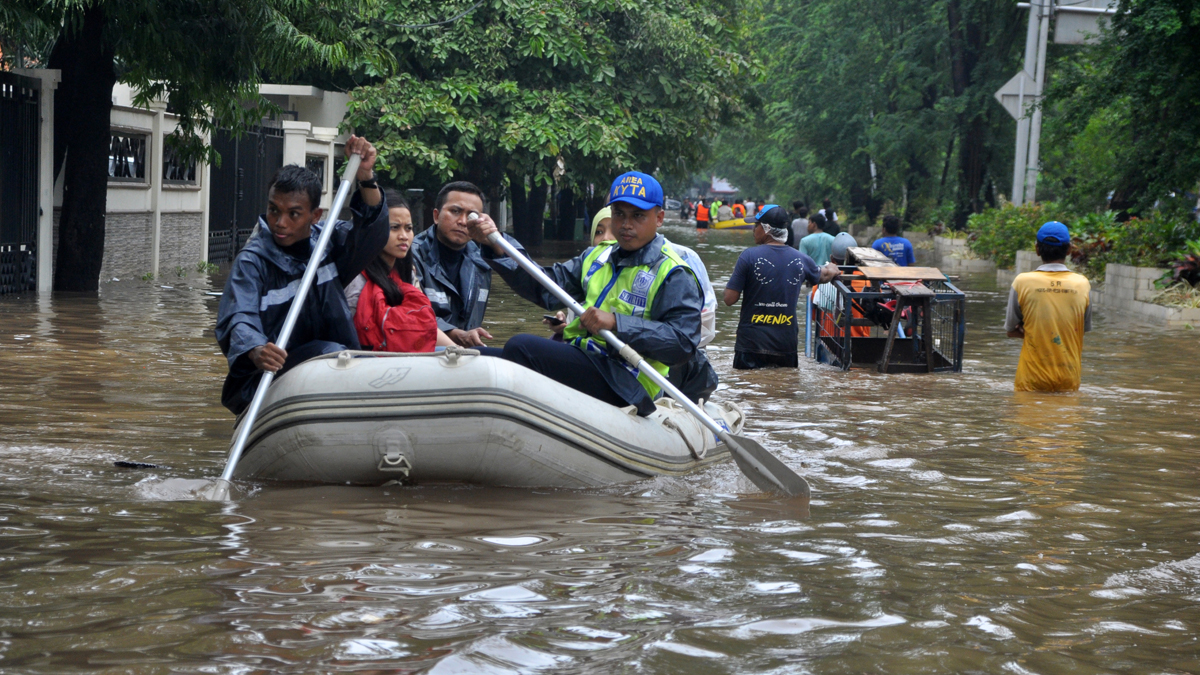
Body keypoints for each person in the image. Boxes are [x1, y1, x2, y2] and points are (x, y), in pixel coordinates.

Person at [471, 171, 705, 416]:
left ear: (659, 218)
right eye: (619, 214)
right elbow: (545, 287)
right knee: (480, 357)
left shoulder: (674, 272)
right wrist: (497, 247)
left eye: (638, 216)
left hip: (627, 379)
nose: (626, 224)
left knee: (520, 346)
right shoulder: (597, 255)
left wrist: (617, 323)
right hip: (584, 358)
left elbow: (682, 344)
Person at [214, 136, 387, 414]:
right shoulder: (253, 261)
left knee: (335, 352)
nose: (280, 223)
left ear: (315, 215)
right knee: (329, 351)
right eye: (274, 210)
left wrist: (365, 176)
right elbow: (237, 317)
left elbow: (371, 233)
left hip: (335, 362)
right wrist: (257, 349)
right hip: (269, 376)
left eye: (293, 214)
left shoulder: (329, 243)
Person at [410, 181, 527, 348]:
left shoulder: (483, 258)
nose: (463, 221)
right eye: (455, 211)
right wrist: (458, 336)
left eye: (471, 216)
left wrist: (495, 244)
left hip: (464, 356)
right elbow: (412, 315)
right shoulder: (411, 256)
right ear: (436, 216)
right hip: (422, 352)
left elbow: (526, 277)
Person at [725, 204, 840, 369]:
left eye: (756, 225)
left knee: (749, 391)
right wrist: (832, 268)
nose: (753, 229)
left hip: (751, 344)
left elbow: (729, 299)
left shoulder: (748, 257)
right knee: (784, 390)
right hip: (785, 344)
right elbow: (824, 275)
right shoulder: (800, 259)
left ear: (766, 229)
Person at [346, 189, 456, 353]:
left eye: (409, 228)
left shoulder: (408, 274)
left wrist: (457, 349)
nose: (404, 236)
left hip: (405, 354)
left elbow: (426, 326)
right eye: (395, 228)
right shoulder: (355, 277)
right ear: (373, 229)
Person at [1005, 221, 1092, 392]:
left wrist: (1032, 330)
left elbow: (1010, 329)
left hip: (1031, 380)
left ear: (1037, 249)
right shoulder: (1082, 284)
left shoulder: (1022, 282)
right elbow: (1081, 329)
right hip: (1069, 379)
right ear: (1069, 250)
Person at [811, 232, 871, 341]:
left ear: (832, 259)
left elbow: (815, 317)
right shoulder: (869, 282)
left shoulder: (820, 285)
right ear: (857, 258)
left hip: (829, 342)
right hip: (861, 343)